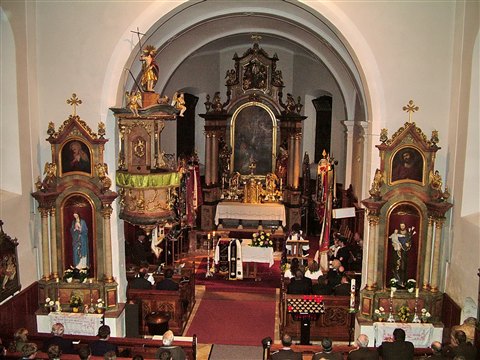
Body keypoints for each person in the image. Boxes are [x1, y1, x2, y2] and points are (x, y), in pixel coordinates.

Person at [389, 223, 413, 287]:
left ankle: (403, 281)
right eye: (401, 226)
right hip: (397, 251)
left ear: (405, 226)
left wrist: (408, 244)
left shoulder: (408, 233)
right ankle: (397, 281)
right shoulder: (397, 233)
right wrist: (394, 243)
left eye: (403, 226)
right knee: (397, 266)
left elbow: (409, 241)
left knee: (403, 266)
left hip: (404, 252)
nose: (402, 227)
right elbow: (392, 240)